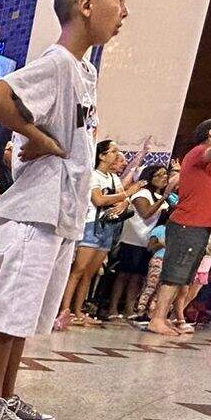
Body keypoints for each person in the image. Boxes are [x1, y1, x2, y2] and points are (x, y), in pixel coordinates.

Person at [0, 0, 129, 420]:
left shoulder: (84, 71)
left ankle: (6, 394)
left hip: (61, 213)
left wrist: (46, 139)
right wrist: (42, 139)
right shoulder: (57, 62)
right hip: (34, 212)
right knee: (11, 309)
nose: (125, 11)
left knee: (28, 316)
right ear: (86, 4)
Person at [147, 114, 211, 336]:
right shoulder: (199, 152)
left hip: (200, 225)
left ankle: (167, 317)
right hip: (188, 223)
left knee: (184, 276)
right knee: (175, 273)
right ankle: (157, 319)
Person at [62, 138, 142, 326]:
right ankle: (65, 309)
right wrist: (126, 194)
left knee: (90, 273)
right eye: (113, 151)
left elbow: (122, 201)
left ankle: (79, 310)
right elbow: (98, 199)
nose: (117, 154)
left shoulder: (113, 178)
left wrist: (123, 200)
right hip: (92, 224)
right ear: (102, 156)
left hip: (108, 226)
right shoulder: (93, 175)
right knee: (78, 270)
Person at [107, 163, 170, 320]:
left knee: (138, 277)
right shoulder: (142, 194)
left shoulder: (162, 199)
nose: (164, 178)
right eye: (159, 175)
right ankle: (112, 308)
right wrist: (164, 197)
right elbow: (146, 213)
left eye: (165, 174)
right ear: (149, 177)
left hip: (148, 242)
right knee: (124, 275)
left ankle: (129, 308)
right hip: (132, 239)